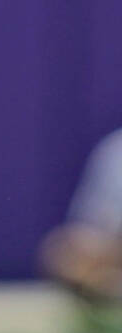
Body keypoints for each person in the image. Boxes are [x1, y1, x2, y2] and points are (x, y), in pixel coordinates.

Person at [41, 129, 122, 303]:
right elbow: (93, 225)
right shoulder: (115, 149)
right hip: (115, 250)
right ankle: (106, 291)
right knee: (67, 252)